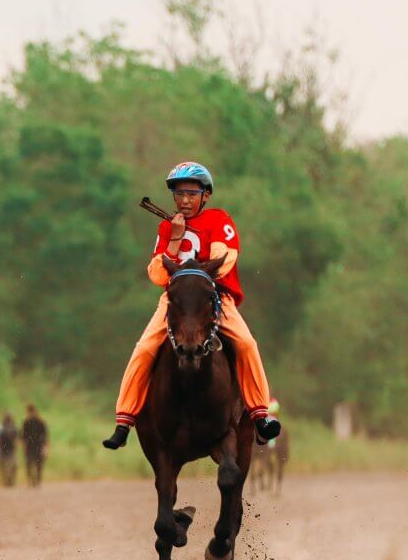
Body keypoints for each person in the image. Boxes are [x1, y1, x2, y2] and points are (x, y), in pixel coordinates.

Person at [103, 162, 281, 450]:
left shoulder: (219, 220)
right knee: (144, 348)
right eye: (179, 194)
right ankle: (124, 420)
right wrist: (175, 238)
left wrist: (193, 274)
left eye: (191, 194)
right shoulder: (166, 227)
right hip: (175, 299)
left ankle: (260, 416)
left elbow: (224, 260)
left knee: (247, 343)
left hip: (213, 296)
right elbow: (157, 275)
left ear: (205, 195)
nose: (184, 200)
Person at [22, 405, 49, 487]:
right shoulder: (26, 422)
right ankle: (31, 481)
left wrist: (45, 447)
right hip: (30, 446)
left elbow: (45, 436)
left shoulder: (40, 422)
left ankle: (37, 481)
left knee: (38, 465)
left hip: (37, 446)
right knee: (30, 464)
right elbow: (23, 436)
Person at [1, 413, 18, 486]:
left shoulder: (2, 428)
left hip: (6, 450)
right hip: (9, 450)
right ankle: (9, 481)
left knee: (7, 467)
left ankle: (8, 481)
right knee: (12, 466)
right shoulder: (10, 428)